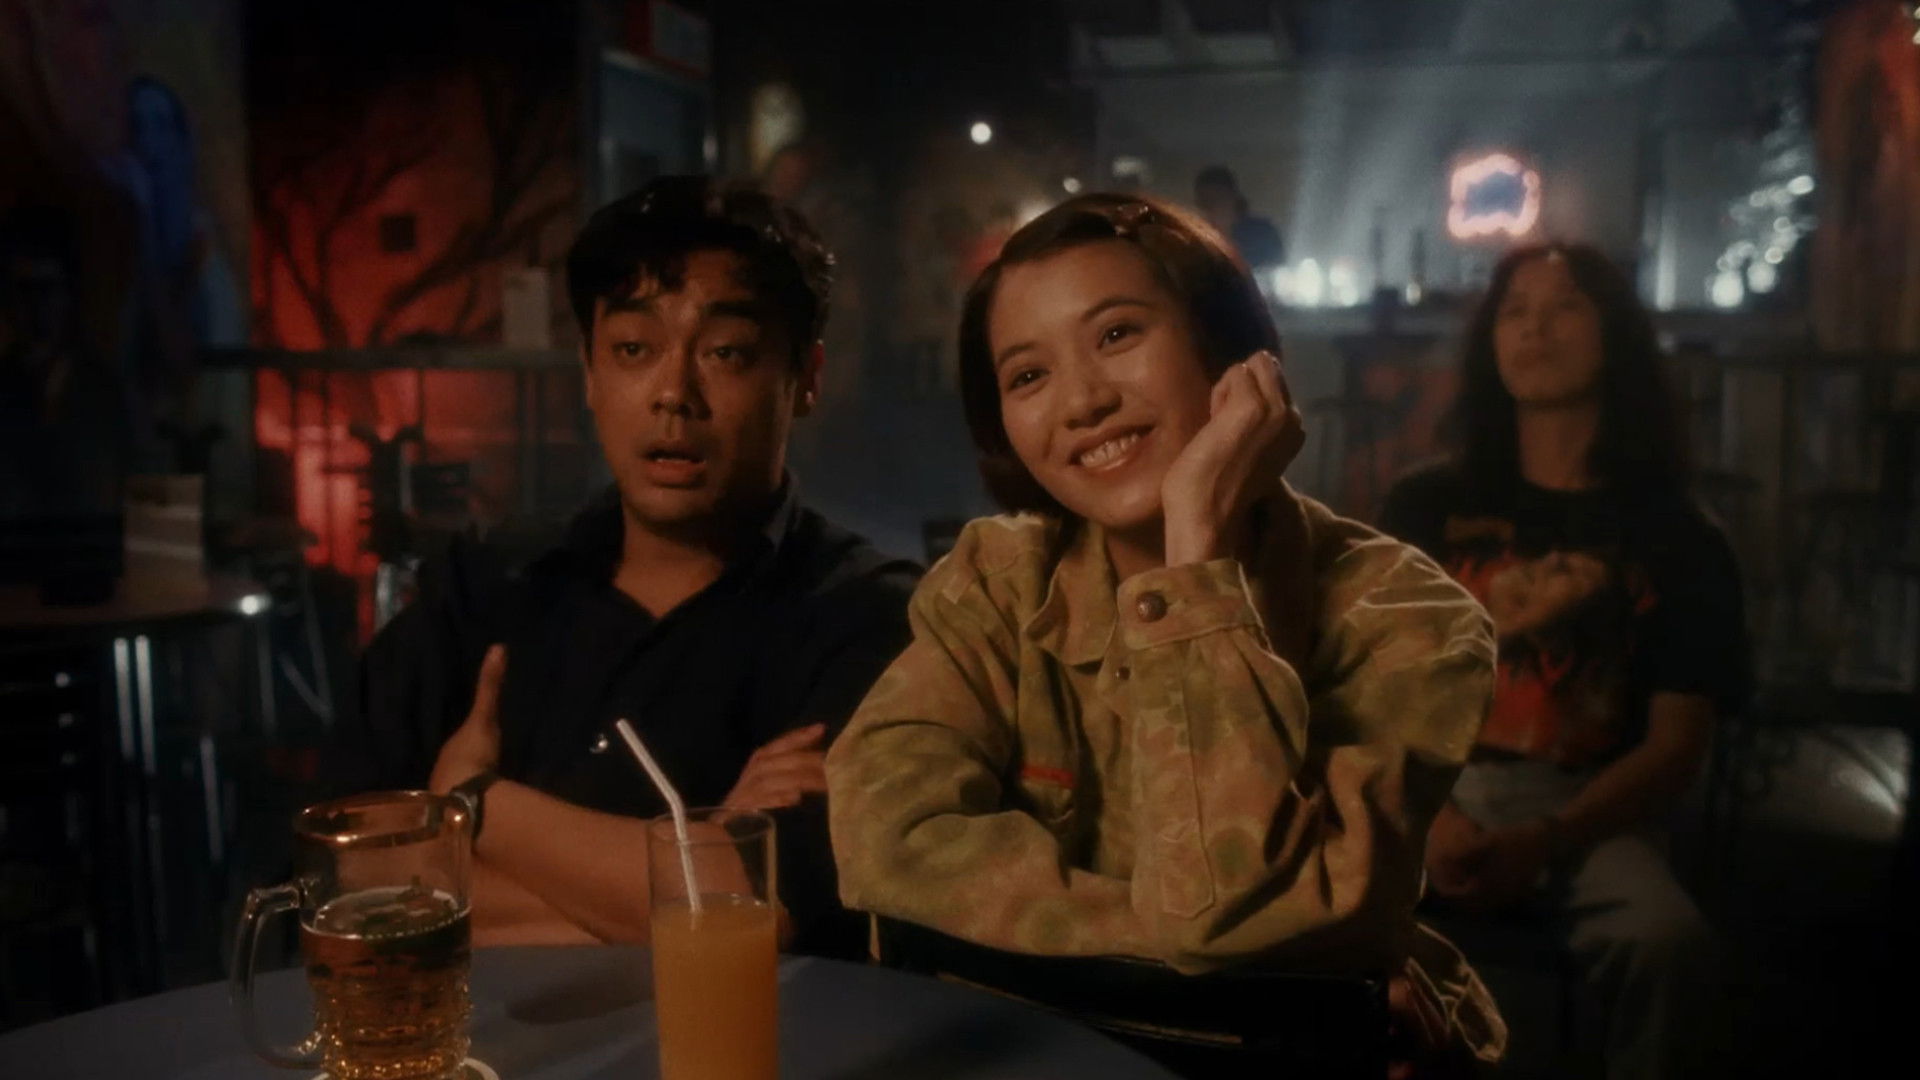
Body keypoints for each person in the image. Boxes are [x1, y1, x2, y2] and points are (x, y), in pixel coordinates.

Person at [825, 193, 1504, 1070]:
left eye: (1116, 335)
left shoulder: (1409, 619)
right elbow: (884, 845)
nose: (1083, 402)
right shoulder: (997, 583)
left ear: (1228, 350)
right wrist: (1286, 972)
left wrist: (1196, 564)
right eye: (1028, 377)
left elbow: (1228, 904)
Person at [332, 176, 919, 957]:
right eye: (634, 350)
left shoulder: (863, 613)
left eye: (726, 353)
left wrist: (475, 803)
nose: (673, 394)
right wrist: (685, 879)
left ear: (804, 378)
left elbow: (766, 909)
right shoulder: (489, 584)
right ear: (589, 368)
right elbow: (344, 871)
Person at [1378, 243, 1749, 1080]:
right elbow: (1374, 688)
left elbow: (1677, 745)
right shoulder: (1426, 503)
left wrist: (1546, 839)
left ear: (1615, 336)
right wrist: (1431, 815)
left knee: (1668, 944)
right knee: (1297, 911)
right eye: (1515, 311)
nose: (1535, 329)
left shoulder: (1677, 535)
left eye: (1565, 307)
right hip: (1428, 789)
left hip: (1589, 810)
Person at [1193, 165, 1284, 273]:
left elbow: (1276, 271)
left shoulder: (1263, 232)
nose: (1212, 207)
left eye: (1217, 198)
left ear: (1232, 197)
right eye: (1205, 201)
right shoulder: (1196, 239)